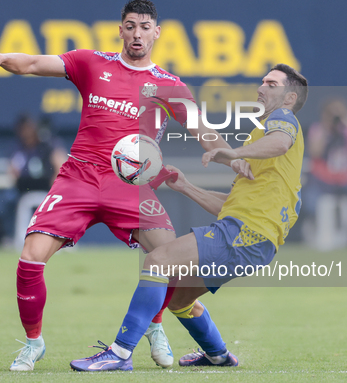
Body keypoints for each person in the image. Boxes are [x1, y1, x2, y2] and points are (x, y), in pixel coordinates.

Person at [0, 0, 233, 371]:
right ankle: (33, 344)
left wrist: (236, 159)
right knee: (31, 256)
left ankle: (154, 326)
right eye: (130, 26)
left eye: (145, 27)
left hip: (130, 185)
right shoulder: (91, 63)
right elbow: (32, 63)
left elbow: (205, 133)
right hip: (78, 177)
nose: (137, 34)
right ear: (120, 29)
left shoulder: (169, 86)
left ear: (157, 33)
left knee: (172, 263)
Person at [70, 64, 308, 371]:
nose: (261, 86)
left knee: (157, 261)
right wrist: (185, 186)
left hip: (245, 233)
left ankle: (119, 354)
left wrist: (234, 153)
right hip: (254, 239)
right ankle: (218, 355)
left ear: (288, 98)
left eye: (271, 83)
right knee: (179, 299)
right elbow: (231, 205)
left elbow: (281, 141)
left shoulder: (282, 119)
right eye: (262, 80)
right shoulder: (262, 141)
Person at [301, 98, 347, 249]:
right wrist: (327, 127)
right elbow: (315, 152)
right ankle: (312, 232)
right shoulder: (318, 129)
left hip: (344, 180)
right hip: (321, 180)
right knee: (310, 204)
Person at [3, 114, 67, 245]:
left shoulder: (48, 145)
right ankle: (14, 237)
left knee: (64, 197)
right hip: (24, 191)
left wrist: (54, 188)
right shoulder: (18, 148)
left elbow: (61, 166)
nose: (26, 132)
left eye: (29, 128)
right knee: (9, 199)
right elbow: (13, 173)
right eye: (23, 129)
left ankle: (63, 237)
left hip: (49, 189)